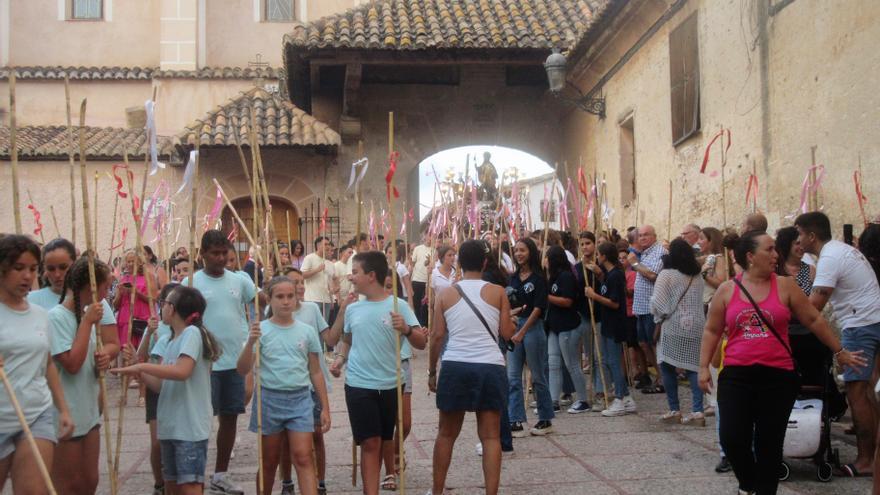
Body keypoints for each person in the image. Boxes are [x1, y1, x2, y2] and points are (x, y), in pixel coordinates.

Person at [698, 231, 866, 494]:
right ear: (751, 256)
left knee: (770, 442)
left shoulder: (786, 286)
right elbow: (711, 330)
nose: (776, 255)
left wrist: (839, 351)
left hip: (778, 376)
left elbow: (813, 320)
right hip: (736, 374)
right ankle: (748, 484)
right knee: (732, 438)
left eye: (776, 249)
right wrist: (703, 367)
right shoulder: (727, 289)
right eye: (770, 249)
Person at [324, 251, 426, 495]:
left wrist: (407, 330)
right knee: (369, 443)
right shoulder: (352, 309)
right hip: (359, 384)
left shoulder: (397, 305)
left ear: (371, 276)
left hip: (392, 384)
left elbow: (421, 342)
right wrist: (339, 359)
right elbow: (347, 340)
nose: (351, 276)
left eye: (355, 272)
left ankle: (387, 473)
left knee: (382, 439)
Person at [113, 285, 221, 495]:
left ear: (172, 308)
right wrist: (138, 368)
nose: (160, 308)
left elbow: (182, 371)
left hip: (189, 427)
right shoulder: (172, 340)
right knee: (171, 486)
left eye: (163, 304)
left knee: (189, 487)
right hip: (171, 425)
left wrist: (141, 366)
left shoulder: (192, 333)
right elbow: (161, 385)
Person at [795, 211, 880, 478]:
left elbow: (814, 307)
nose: (798, 241)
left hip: (861, 324)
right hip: (871, 318)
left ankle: (866, 460)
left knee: (858, 392)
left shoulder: (830, 257)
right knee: (870, 390)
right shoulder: (839, 251)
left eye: (799, 234)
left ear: (811, 235)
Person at [428, 239, 516, 495]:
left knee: (446, 434)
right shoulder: (498, 292)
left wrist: (432, 371)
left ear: (458, 263)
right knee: (490, 436)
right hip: (489, 365)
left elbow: (436, 337)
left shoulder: (445, 294)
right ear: (485, 262)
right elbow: (507, 333)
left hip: (456, 364)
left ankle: (437, 490)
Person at [236, 276, 330, 495]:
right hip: (269, 399)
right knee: (269, 461)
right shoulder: (261, 330)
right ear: (269, 299)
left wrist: (324, 406)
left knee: (304, 457)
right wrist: (250, 342)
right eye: (280, 297)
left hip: (300, 399)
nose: (286, 301)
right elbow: (242, 368)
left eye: (290, 296)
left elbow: (315, 371)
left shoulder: (306, 331)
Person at [0, 235, 74, 494]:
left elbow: (47, 365)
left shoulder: (40, 315)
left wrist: (63, 409)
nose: (27, 276)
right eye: (18, 268)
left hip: (36, 415)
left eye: (32, 269)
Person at [185, 230, 257, 495]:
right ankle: (195, 475)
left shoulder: (240, 280)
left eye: (223, 253)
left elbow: (260, 300)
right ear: (202, 254)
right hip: (204, 363)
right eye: (214, 253)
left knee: (230, 419)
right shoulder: (191, 281)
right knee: (202, 420)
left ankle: (220, 474)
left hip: (234, 362)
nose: (219, 258)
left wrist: (270, 282)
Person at [49, 255, 115, 494]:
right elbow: (72, 364)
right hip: (67, 413)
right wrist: (87, 323)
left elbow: (105, 349)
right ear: (91, 287)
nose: (108, 294)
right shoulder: (57, 317)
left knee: (90, 481)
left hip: (88, 410)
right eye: (106, 287)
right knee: (67, 485)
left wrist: (103, 359)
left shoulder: (88, 314)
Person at [278, 268, 333, 495]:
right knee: (284, 438)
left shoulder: (311, 309)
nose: (300, 287)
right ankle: (287, 482)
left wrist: (344, 313)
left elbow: (329, 338)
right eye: (294, 283)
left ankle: (320, 482)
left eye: (301, 282)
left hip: (312, 383)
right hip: (287, 383)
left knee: (317, 434)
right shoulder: (275, 312)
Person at [651, 238, 706, 425]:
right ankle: (698, 411)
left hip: (673, 325)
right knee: (694, 367)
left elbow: (658, 304)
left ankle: (674, 409)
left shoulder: (666, 274)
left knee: (666, 366)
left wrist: (658, 317)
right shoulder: (697, 276)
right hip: (696, 325)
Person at [131, 283, 177, 495]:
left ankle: (174, 480)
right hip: (156, 387)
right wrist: (149, 333)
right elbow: (141, 354)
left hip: (177, 389)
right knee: (157, 441)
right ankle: (159, 483)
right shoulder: (157, 326)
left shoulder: (188, 330)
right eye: (168, 302)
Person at [506, 238, 554, 436]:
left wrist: (523, 331)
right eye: (516, 250)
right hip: (515, 327)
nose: (518, 254)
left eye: (522, 250)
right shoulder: (513, 278)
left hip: (533, 329)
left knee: (537, 376)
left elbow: (538, 308)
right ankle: (515, 419)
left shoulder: (539, 278)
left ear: (531, 252)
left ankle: (545, 418)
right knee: (513, 377)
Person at [544, 246, 590, 413]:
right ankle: (553, 400)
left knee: (571, 364)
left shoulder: (566, 277)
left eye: (547, 258)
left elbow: (567, 301)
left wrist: (546, 297)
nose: (545, 261)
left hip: (567, 325)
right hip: (554, 326)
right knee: (553, 363)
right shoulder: (552, 277)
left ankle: (583, 399)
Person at [627, 225, 667, 394]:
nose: (642, 238)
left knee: (654, 342)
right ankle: (659, 375)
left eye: (646, 235)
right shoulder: (644, 253)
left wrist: (635, 264)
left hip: (652, 306)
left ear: (654, 236)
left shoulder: (661, 253)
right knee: (644, 343)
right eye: (640, 236)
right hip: (641, 306)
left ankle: (664, 378)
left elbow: (653, 275)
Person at [302, 236, 335, 324]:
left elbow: (330, 282)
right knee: (312, 325)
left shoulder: (330, 263)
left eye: (328, 244)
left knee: (324, 326)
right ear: (318, 245)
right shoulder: (309, 258)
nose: (328, 246)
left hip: (326, 300)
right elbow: (303, 275)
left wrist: (332, 299)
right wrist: (317, 270)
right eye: (325, 244)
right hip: (312, 298)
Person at [410, 233, 433, 325]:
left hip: (428, 281)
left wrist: (429, 262)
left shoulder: (434, 250)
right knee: (416, 304)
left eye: (432, 236)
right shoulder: (418, 248)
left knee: (426, 306)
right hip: (417, 279)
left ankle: (425, 325)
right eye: (429, 235)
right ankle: (416, 323)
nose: (430, 238)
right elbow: (412, 262)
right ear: (425, 236)